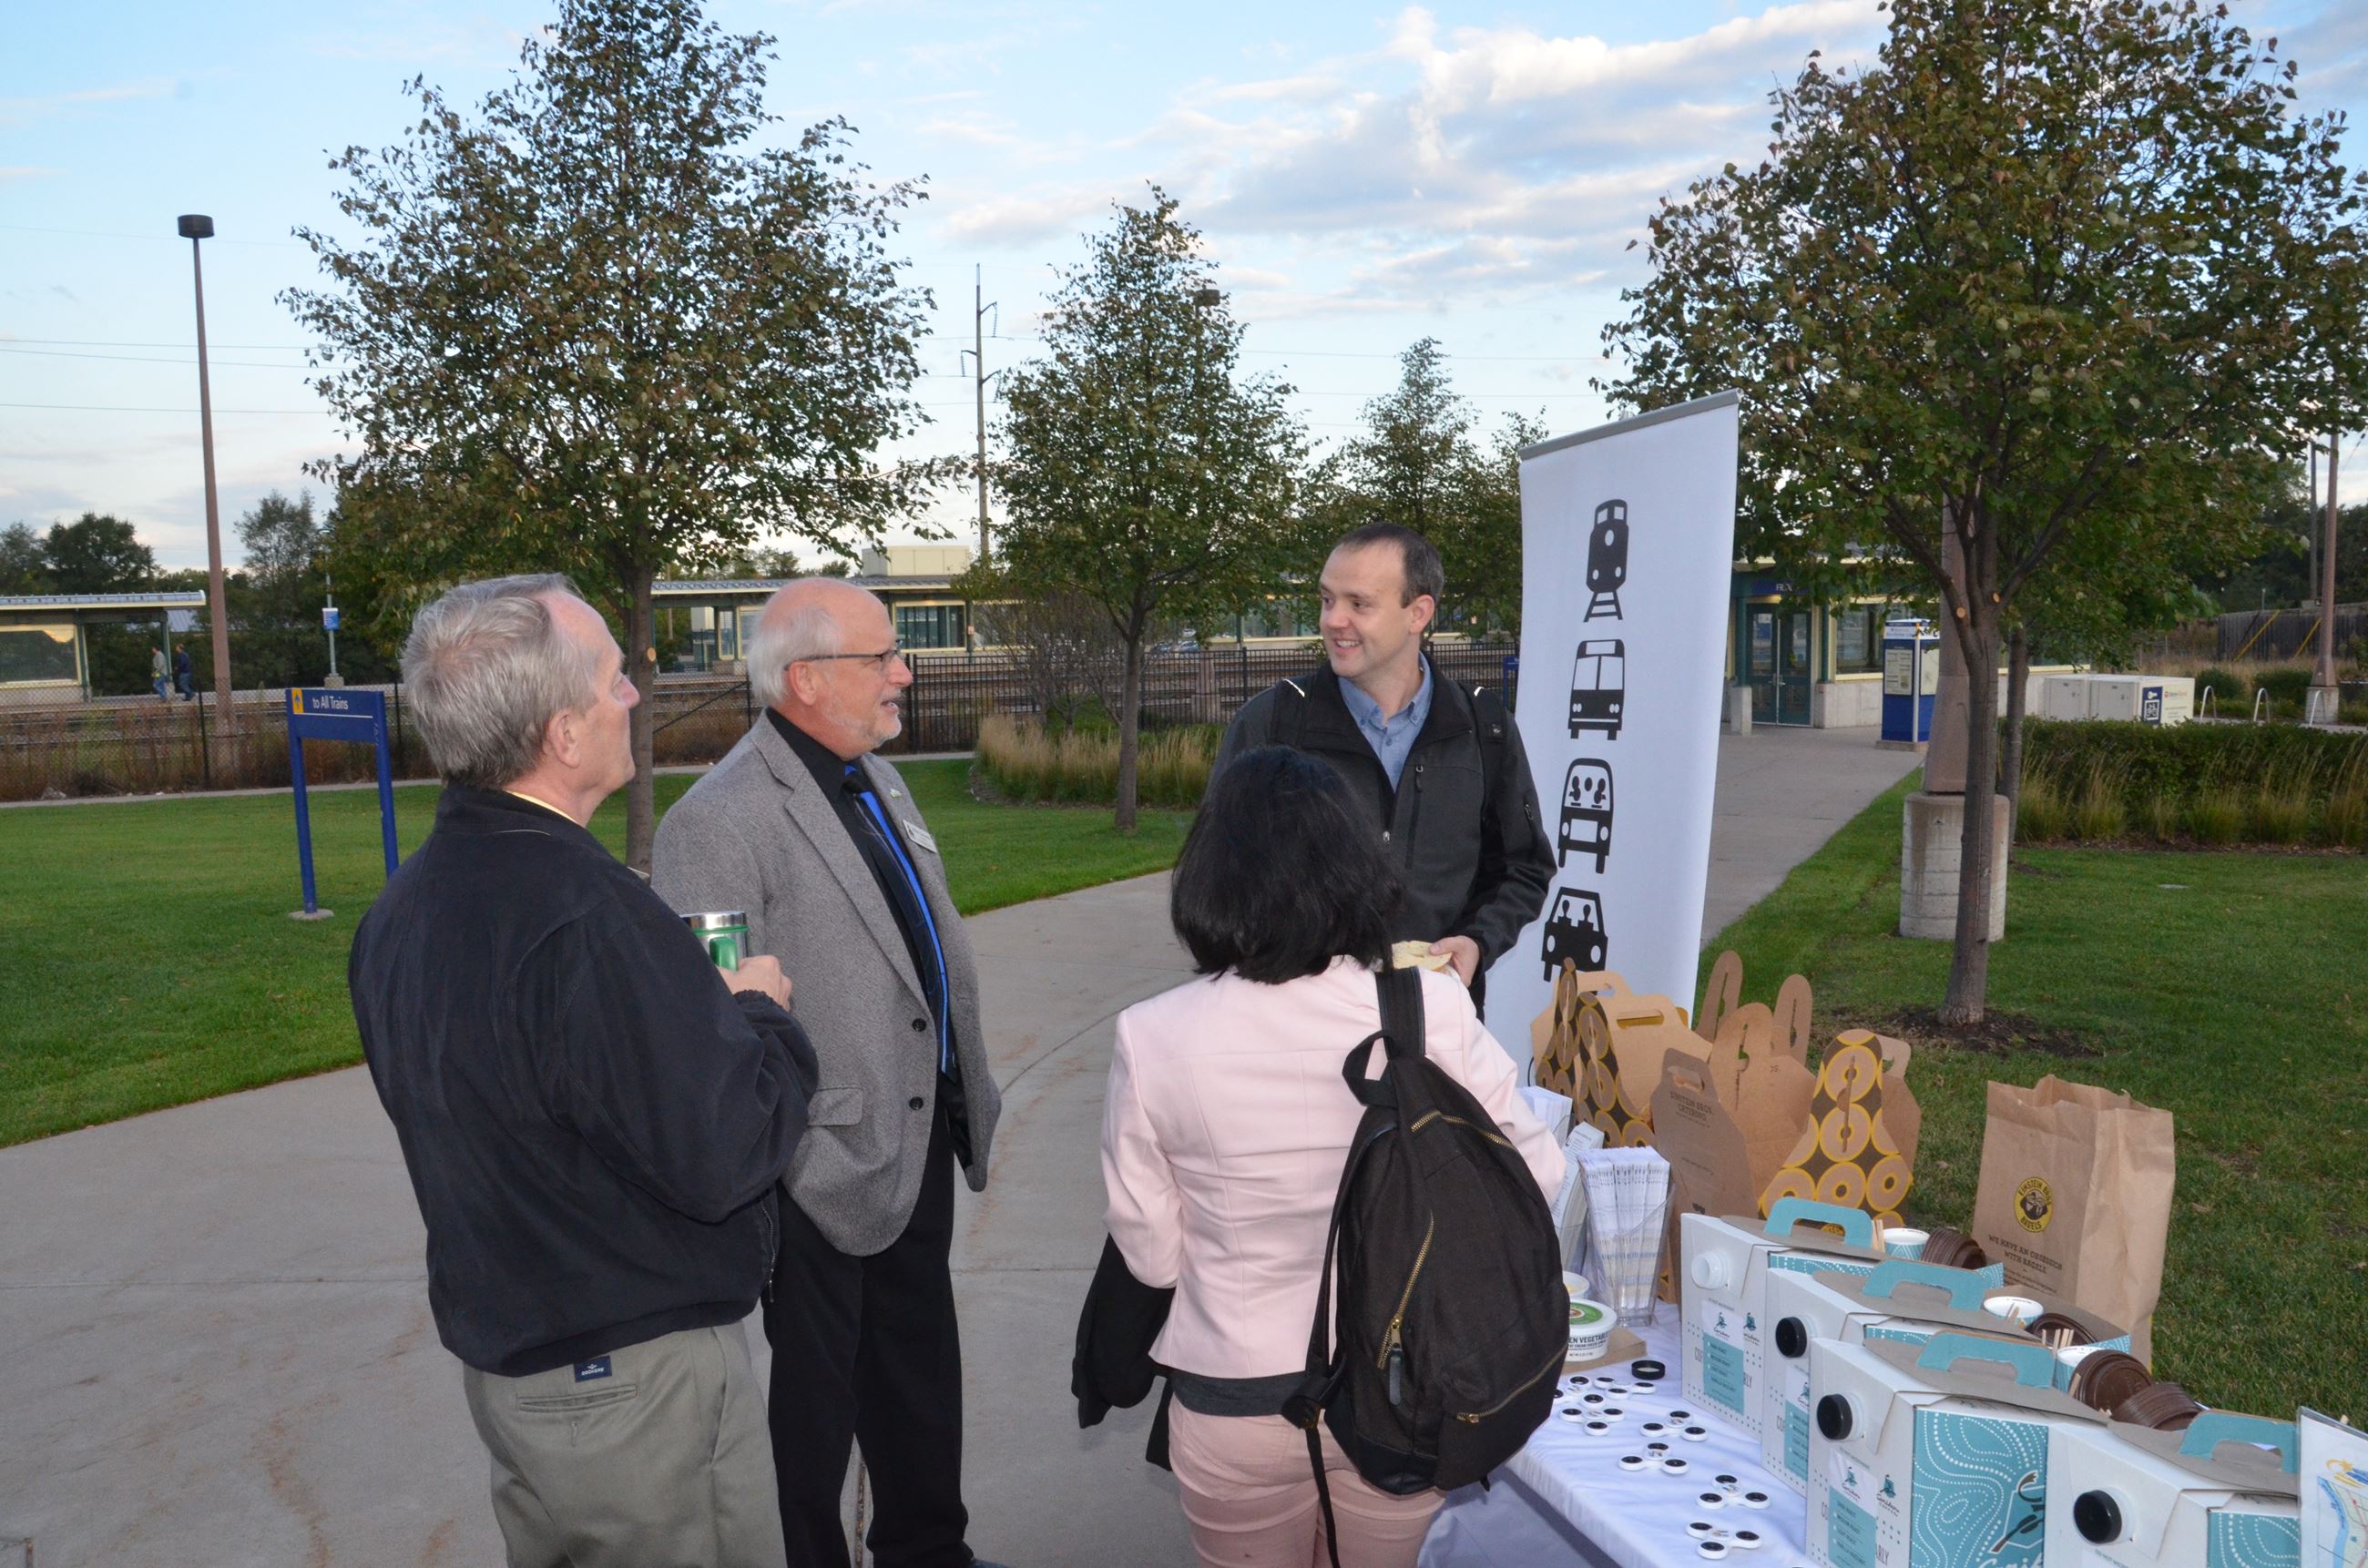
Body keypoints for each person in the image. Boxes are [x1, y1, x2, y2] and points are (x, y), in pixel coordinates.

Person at [349, 574, 817, 1568]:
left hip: (523, 1376)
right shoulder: (589, 916)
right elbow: (726, 1153)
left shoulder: (404, 907)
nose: (635, 695)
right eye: (614, 678)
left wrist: (675, 1017)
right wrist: (759, 1014)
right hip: (634, 1388)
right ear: (562, 735)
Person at [1102, 746, 1564, 1568]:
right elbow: (1538, 1178)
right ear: (1358, 868)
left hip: (1232, 1396)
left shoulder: (1151, 1034)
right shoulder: (1428, 1004)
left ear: (1209, 878)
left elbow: (1152, 1254)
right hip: (1405, 1388)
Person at [653, 578, 1006, 1568]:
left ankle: (928, 1549)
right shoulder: (716, 821)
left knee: (917, 1368)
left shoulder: (875, 780)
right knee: (812, 1408)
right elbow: (715, 1020)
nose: (904, 673)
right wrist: (798, 1154)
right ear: (806, 678)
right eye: (882, 656)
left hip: (913, 1130)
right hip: (809, 1162)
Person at [1213, 522, 1552, 1016]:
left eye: (1359, 603)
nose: (1333, 620)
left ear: (1419, 613)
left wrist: (1478, 941)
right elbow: (1219, 879)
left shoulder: (1485, 728)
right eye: (1327, 600)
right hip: (1297, 1027)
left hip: (1438, 1023)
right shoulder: (1272, 725)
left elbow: (1522, 867)